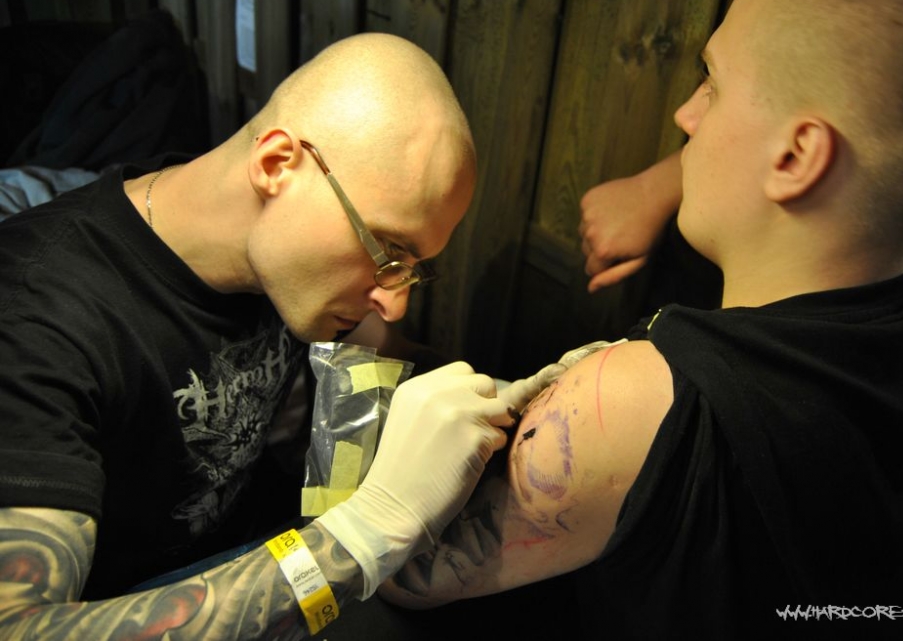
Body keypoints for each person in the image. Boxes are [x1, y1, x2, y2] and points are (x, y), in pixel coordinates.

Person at [379, 0, 903, 638]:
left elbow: (401, 573)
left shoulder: (639, 409)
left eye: (713, 83)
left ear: (796, 155)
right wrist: (661, 184)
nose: (686, 115)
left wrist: (367, 365)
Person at [0, 32, 526, 639]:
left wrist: (488, 400)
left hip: (251, 544)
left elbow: (379, 351)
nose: (394, 301)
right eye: (386, 249)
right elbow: (20, 627)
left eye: (411, 269)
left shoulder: (269, 252)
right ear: (276, 165)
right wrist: (366, 533)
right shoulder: (32, 320)